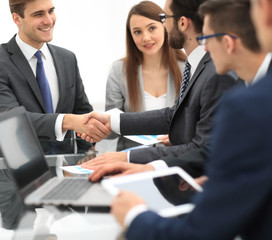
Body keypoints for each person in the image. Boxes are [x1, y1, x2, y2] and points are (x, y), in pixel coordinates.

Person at [90, 0, 272, 239]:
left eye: (207, 39)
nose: (203, 48)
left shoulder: (248, 103)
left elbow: (199, 232)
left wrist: (134, 215)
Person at [81, 0, 238, 167]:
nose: (164, 24)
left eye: (165, 18)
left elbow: (202, 149)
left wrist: (127, 158)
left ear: (182, 23)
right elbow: (174, 115)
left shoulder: (215, 71)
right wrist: (111, 120)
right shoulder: (198, 66)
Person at [0, 0, 110, 155]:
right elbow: (12, 121)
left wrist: (87, 153)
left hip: (66, 168)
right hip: (17, 171)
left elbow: (82, 112)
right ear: (17, 19)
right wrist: (69, 121)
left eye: (51, 11)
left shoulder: (67, 58)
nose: (49, 20)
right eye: (38, 14)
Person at [106, 1, 187, 146]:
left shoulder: (187, 68)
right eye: (137, 32)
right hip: (131, 160)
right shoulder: (119, 70)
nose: (146, 38)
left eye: (152, 28)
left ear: (165, 26)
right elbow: (110, 130)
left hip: (175, 158)